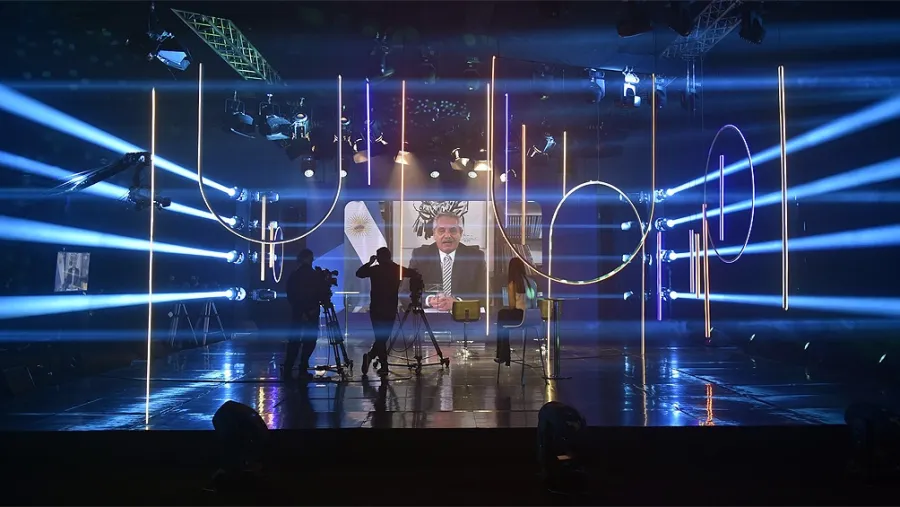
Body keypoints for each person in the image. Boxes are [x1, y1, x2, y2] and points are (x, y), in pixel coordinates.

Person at [408, 212, 486, 312]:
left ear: (460, 233)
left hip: (463, 316)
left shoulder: (475, 258)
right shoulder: (420, 256)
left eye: (453, 231)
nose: (447, 235)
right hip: (430, 317)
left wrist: (458, 302)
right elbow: (405, 293)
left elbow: (486, 296)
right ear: (434, 234)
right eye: (441, 231)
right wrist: (429, 300)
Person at [356, 247, 412, 376]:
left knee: (380, 337)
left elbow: (359, 273)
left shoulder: (375, 269)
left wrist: (370, 263)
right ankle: (383, 365)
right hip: (389, 308)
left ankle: (371, 357)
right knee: (382, 337)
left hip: (377, 308)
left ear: (378, 257)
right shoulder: (396, 269)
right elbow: (412, 273)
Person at [284, 248, 321, 382]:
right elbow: (319, 292)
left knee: (294, 341)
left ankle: (288, 369)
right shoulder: (314, 275)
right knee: (309, 342)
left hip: (298, 312)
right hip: (311, 312)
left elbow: (290, 293)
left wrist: (299, 308)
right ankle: (302, 369)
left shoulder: (295, 275)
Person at [495, 257, 536, 365]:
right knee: (503, 320)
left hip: (520, 315)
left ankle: (503, 355)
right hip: (532, 316)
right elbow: (534, 303)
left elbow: (512, 305)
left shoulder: (513, 284)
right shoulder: (532, 282)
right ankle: (503, 355)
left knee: (501, 316)